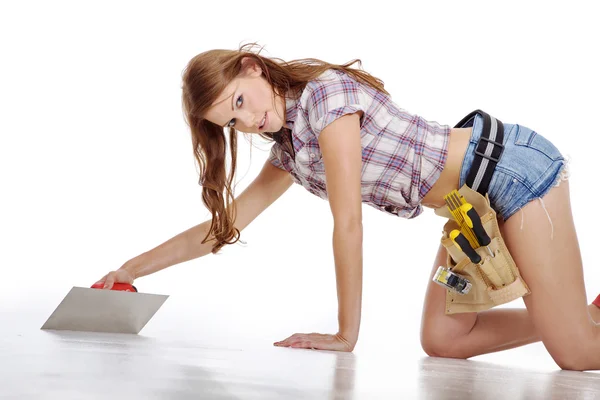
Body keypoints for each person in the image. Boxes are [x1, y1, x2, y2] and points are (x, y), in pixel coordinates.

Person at [96, 43, 600, 370]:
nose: (246, 122)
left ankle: (571, 323)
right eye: (231, 122)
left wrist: (345, 334)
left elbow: (349, 224)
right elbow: (223, 228)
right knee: (445, 339)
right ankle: (574, 315)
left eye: (239, 102)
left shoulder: (326, 98)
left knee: (575, 353)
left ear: (252, 67)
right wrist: (129, 269)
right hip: (468, 211)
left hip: (509, 173)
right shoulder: (291, 151)